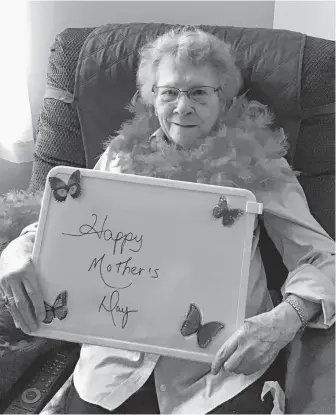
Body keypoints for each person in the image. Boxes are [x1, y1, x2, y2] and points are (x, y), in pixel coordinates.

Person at [0, 26, 334, 414]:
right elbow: (63, 229)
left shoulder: (260, 165)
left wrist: (283, 320)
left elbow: (322, 258)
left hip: (217, 371)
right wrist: (14, 254)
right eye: (170, 91)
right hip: (113, 370)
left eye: (198, 92)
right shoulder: (119, 159)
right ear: (151, 98)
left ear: (223, 99)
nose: (182, 107)